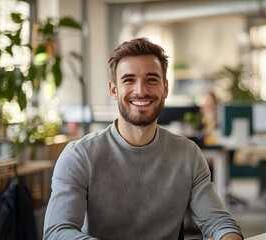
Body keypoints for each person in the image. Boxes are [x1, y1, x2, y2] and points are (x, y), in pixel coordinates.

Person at [43, 37, 243, 240]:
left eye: (151, 80)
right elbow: (57, 232)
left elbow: (218, 222)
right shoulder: (79, 156)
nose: (141, 90)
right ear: (114, 90)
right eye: (129, 80)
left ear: (165, 88)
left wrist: (229, 236)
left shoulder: (188, 154)